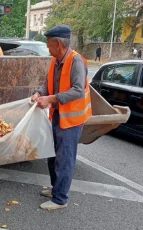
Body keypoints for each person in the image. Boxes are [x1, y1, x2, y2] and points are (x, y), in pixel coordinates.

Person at [31, 25, 92, 210]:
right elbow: (47, 83)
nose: (48, 49)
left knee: (64, 158)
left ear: (58, 43)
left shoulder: (76, 61)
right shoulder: (56, 60)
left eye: (49, 45)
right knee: (53, 154)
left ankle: (60, 199)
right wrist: (38, 93)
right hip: (58, 115)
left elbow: (77, 91)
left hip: (72, 120)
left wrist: (50, 98)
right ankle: (55, 188)